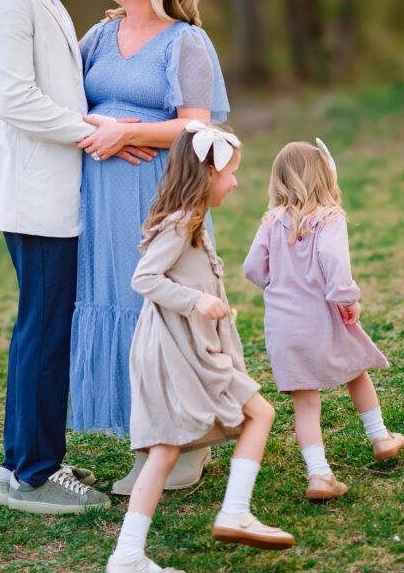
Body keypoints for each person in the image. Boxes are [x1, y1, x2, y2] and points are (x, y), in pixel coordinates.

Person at [0, 0, 148, 515]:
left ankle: (32, 460)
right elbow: (14, 99)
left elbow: (15, 89)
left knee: (46, 327)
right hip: (36, 195)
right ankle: (32, 475)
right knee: (44, 330)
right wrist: (103, 136)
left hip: (57, 190)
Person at [69, 0, 229, 494]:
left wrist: (129, 131)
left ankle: (189, 442)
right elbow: (63, 105)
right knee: (119, 305)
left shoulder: (186, 43)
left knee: (162, 309)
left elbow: (198, 126)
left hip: (159, 196)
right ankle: (149, 440)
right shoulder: (98, 36)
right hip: (102, 201)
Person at [107, 123, 295, 573]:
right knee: (258, 414)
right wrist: (198, 301)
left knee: (167, 450)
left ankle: (129, 555)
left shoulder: (190, 220)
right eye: (230, 172)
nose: (235, 182)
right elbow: (144, 279)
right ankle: (232, 512)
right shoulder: (181, 223)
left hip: (190, 349)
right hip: (177, 351)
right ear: (207, 173)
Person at [243, 138, 404, 501]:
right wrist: (347, 299)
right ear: (324, 176)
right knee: (355, 370)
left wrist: (276, 284)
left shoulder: (271, 221)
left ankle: (319, 475)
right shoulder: (330, 219)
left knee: (306, 402)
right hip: (324, 318)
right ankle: (380, 437)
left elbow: (252, 268)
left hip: (284, 327)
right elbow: (335, 264)